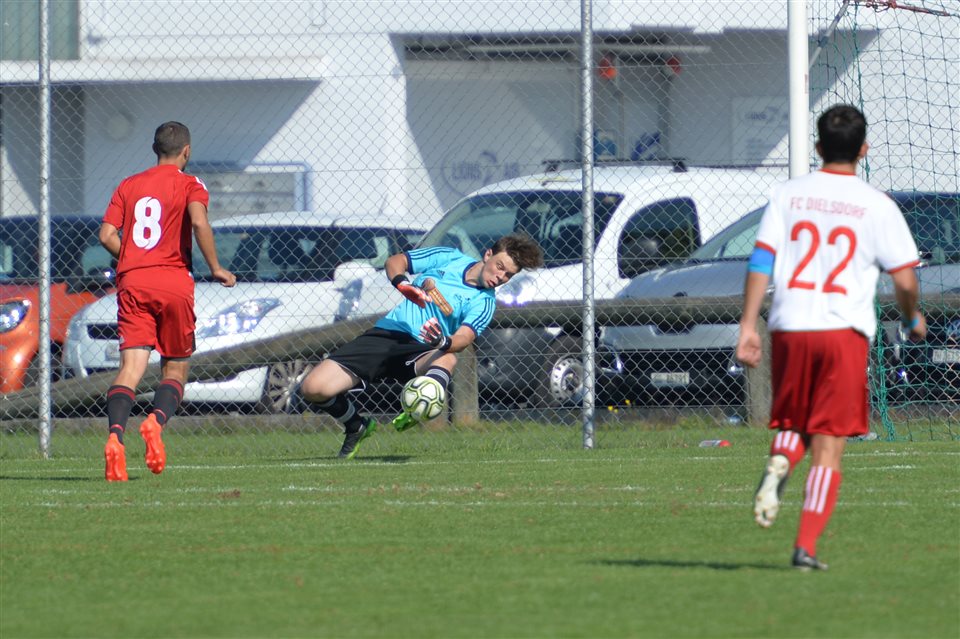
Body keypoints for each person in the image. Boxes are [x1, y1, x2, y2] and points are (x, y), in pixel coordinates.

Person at [735, 104, 926, 570]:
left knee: (794, 422)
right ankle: (805, 547)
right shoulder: (877, 205)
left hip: (791, 325)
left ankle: (781, 460)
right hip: (843, 331)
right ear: (864, 150)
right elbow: (904, 279)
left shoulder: (788, 194)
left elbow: (761, 261)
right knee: (829, 444)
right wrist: (911, 317)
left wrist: (747, 325)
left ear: (818, 147)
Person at [297, 234, 544, 459]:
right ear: (488, 255)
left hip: (423, 349)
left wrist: (444, 342)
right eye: (500, 267)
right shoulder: (448, 257)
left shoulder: (484, 302)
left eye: (508, 275)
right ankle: (356, 425)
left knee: (447, 357)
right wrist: (403, 284)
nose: (500, 277)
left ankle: (420, 407)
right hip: (389, 333)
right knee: (313, 388)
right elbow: (396, 262)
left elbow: (464, 337)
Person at [101, 121, 236, 482]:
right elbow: (199, 223)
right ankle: (155, 422)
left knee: (130, 368)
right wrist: (216, 267)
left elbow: (107, 234)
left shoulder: (128, 184)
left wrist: (133, 257)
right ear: (186, 151)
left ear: (154, 149)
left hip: (133, 282)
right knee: (175, 369)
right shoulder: (191, 184)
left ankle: (115, 437)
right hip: (173, 282)